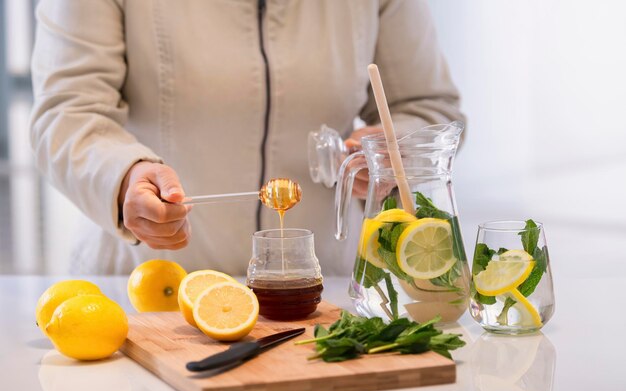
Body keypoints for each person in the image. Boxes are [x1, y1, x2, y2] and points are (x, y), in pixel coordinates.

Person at [29, 0, 464, 276]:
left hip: (317, 291)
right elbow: (67, 111)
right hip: (149, 289)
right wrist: (124, 176)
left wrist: (395, 151)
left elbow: (427, 106)